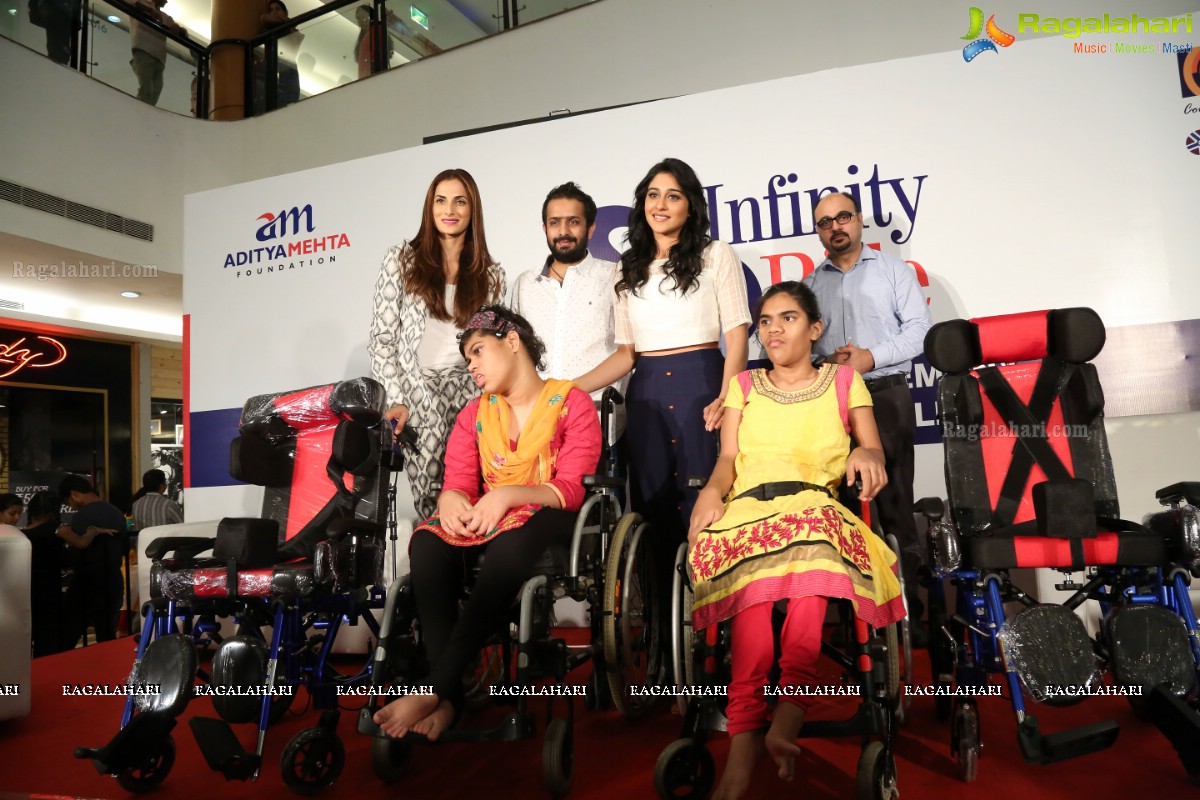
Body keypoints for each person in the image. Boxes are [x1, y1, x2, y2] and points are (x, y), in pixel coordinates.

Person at [687, 281, 905, 800]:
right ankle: (743, 749)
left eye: (787, 318)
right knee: (750, 595)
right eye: (765, 321)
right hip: (747, 507)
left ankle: (788, 712)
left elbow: (872, 448)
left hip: (814, 505)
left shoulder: (844, 381)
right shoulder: (741, 385)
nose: (773, 329)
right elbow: (725, 460)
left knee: (811, 553)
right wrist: (710, 496)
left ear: (815, 328)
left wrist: (864, 456)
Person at [373, 305, 600, 739]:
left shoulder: (572, 402)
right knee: (427, 542)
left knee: (512, 545)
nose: (471, 366)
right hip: (494, 521)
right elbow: (457, 483)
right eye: (467, 358)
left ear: (512, 342)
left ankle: (434, 688)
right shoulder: (474, 414)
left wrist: (508, 496)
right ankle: (451, 702)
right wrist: (453, 501)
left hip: (554, 521)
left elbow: (570, 490)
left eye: (477, 351)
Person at [591, 157, 750, 601]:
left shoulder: (715, 254)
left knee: (708, 500)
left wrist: (728, 396)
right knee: (655, 505)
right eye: (653, 195)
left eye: (673, 195)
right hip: (646, 397)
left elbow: (737, 333)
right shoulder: (625, 268)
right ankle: (663, 635)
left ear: (690, 206)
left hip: (703, 383)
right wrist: (568, 388)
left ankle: (717, 621)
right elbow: (625, 354)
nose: (660, 205)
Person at [803, 191, 933, 637]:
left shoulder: (892, 271)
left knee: (895, 506)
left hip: (886, 394)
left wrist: (869, 358)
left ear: (858, 220)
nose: (835, 226)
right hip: (830, 402)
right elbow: (801, 347)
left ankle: (906, 616)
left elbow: (921, 333)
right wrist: (826, 362)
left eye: (843, 217)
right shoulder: (810, 285)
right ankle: (855, 616)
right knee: (839, 507)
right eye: (825, 222)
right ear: (818, 231)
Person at [369, 168, 505, 519]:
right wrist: (396, 398)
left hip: (471, 394)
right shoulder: (402, 260)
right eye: (440, 201)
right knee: (432, 498)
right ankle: (436, 566)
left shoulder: (491, 275)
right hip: (417, 395)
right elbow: (383, 339)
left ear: (473, 210)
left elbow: (494, 348)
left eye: (460, 201)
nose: (450, 210)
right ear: (430, 209)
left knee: (474, 491)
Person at [510, 181, 627, 418]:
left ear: (591, 228)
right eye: (555, 222)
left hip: (598, 418)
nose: (563, 232)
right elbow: (515, 354)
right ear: (545, 228)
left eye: (573, 222)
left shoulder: (615, 276)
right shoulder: (525, 284)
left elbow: (629, 352)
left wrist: (566, 392)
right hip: (535, 420)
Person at [59, 475, 126, 644]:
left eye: (70, 503)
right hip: (113, 581)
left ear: (74, 494)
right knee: (107, 637)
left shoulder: (82, 516)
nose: (72, 508)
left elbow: (77, 553)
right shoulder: (117, 513)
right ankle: (107, 669)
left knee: (68, 635)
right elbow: (124, 547)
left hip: (86, 582)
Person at [21, 491, 77, 656]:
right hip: (50, 588)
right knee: (48, 634)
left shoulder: (24, 533)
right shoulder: (55, 530)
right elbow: (74, 550)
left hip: (28, 587)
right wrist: (93, 531)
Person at [129, 0, 186, 106]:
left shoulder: (165, 17)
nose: (167, 1)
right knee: (146, 89)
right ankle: (140, 115)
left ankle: (146, 116)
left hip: (159, 58)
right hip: (144, 49)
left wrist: (179, 29)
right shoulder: (142, 2)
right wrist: (149, 10)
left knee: (156, 91)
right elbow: (131, 3)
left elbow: (178, 30)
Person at [261, 0, 302, 107]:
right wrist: (286, 21)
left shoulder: (291, 29)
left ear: (285, 12)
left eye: (277, 9)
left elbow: (294, 46)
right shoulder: (269, 29)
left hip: (288, 71)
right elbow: (264, 17)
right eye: (271, 10)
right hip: (272, 70)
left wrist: (288, 24)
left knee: (287, 105)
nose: (274, 12)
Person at [354, 4, 392, 79]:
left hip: (372, 75)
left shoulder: (376, 30)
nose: (360, 21)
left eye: (363, 17)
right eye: (358, 18)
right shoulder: (364, 36)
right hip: (365, 77)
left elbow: (378, 54)